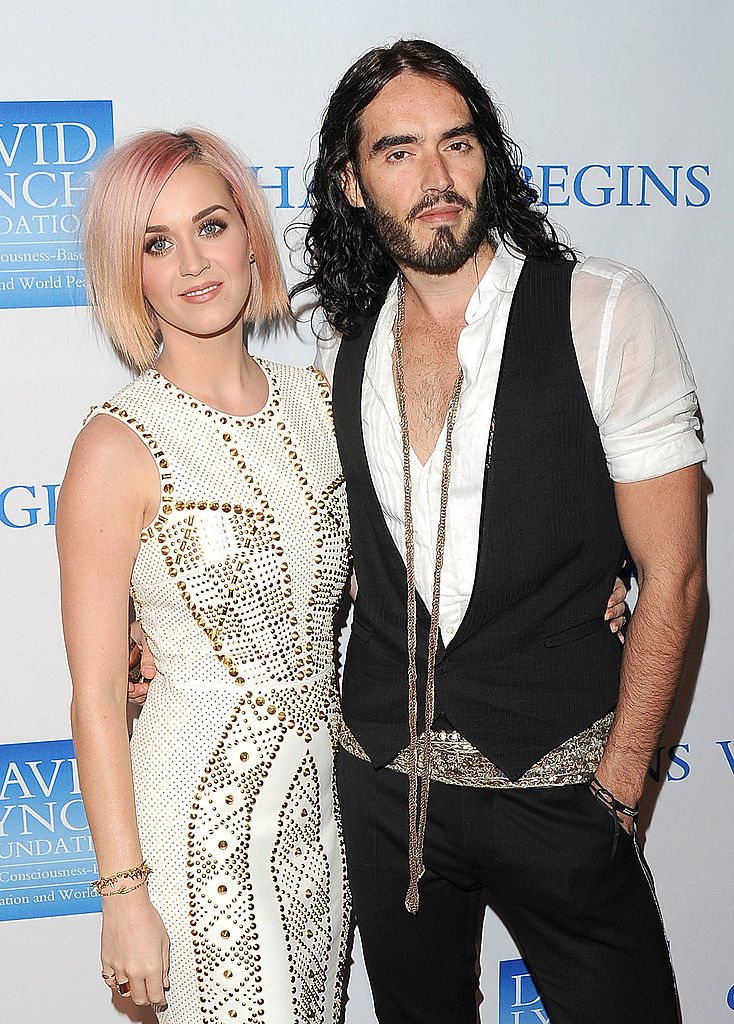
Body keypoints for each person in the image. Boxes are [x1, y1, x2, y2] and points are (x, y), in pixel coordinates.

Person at [289, 38, 705, 1024]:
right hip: (384, 787)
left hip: (562, 784)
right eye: (397, 153)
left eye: (456, 144)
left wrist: (622, 785)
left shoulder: (602, 310)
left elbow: (673, 575)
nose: (434, 179)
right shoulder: (345, 349)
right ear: (351, 182)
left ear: (488, 156)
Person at [56, 129, 352, 1023]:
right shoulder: (117, 445)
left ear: (251, 235)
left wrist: (598, 584)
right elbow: (100, 695)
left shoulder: (326, 401)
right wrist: (123, 897)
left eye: (211, 225)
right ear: (130, 271)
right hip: (197, 823)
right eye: (156, 242)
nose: (191, 261)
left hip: (321, 817)